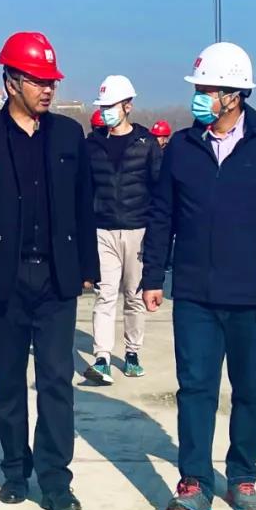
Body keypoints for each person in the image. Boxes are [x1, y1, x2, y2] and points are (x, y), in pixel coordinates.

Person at [141, 42, 256, 510]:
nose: (200, 97)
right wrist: (154, 275)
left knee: (251, 388)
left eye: (207, 89)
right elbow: (162, 215)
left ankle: (242, 475)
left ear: (233, 94)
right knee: (195, 388)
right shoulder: (182, 148)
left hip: (252, 293)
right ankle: (194, 483)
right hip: (195, 292)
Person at [0, 31, 100, 510]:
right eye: (38, 80)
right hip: (2, 278)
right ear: (11, 81)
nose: (48, 89)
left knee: (56, 381)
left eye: (51, 81)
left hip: (56, 279)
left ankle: (56, 481)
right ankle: (15, 470)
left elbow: (84, 204)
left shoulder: (69, 135)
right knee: (9, 381)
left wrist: (87, 267)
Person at [83, 74, 162, 385]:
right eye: (102, 107)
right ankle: (102, 357)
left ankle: (132, 353)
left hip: (137, 231)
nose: (106, 112)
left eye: (111, 106)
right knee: (105, 296)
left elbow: (158, 190)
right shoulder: (92, 145)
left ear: (128, 105)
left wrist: (156, 234)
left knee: (133, 295)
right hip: (102, 230)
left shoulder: (147, 144)